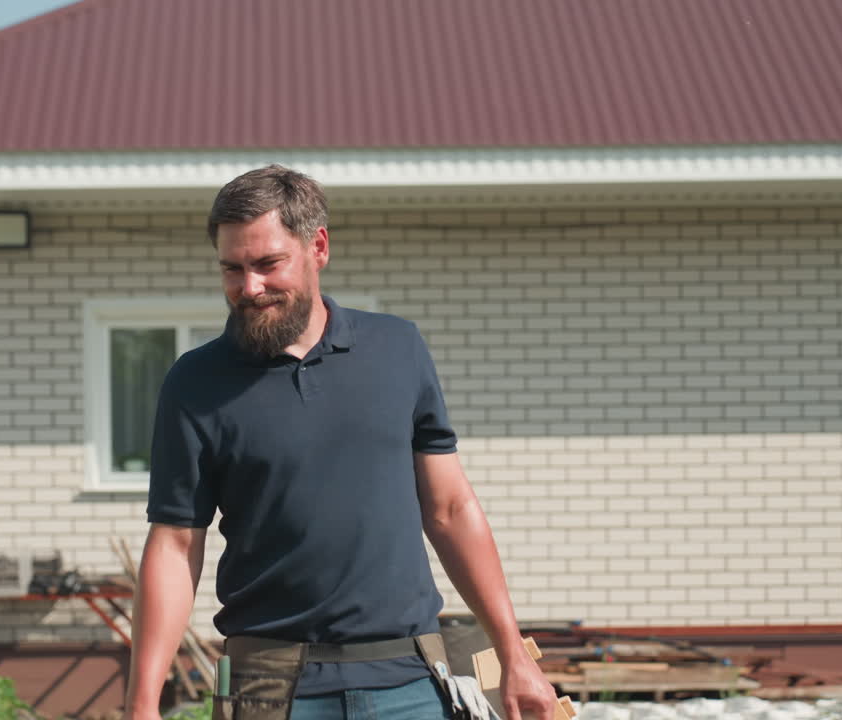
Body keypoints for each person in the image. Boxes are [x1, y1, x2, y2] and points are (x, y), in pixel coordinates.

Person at [125, 165, 558, 720]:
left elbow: (451, 508)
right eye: (232, 269)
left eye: (267, 264)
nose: (249, 286)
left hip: (410, 677)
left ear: (318, 247)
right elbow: (175, 544)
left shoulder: (397, 349)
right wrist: (142, 703)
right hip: (266, 685)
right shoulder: (195, 382)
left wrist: (513, 654)